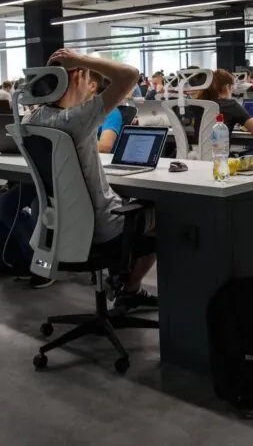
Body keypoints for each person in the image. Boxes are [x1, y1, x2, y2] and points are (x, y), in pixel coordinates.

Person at [24, 49, 157, 311]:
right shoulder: (76, 119)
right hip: (101, 227)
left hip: (61, 228)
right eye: (85, 76)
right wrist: (83, 60)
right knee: (165, 213)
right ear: (77, 78)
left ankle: (120, 277)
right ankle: (129, 287)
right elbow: (131, 75)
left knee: (133, 209)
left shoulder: (32, 119)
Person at [194, 69, 253, 137]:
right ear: (227, 87)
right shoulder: (231, 105)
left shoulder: (197, 104)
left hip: (195, 149)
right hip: (220, 149)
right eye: (232, 87)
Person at [88, 71, 125, 153]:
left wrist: (73, 145)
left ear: (93, 86)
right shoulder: (84, 111)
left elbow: (104, 147)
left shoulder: (111, 113)